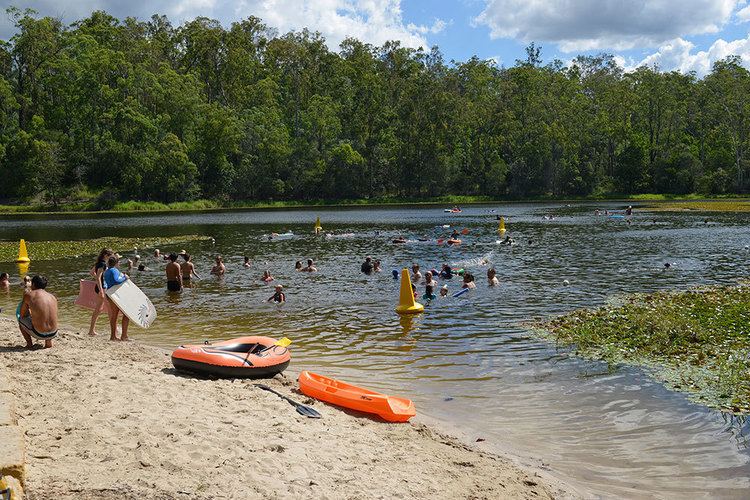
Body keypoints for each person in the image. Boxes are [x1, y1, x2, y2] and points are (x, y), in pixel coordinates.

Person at [18, 275, 58, 349]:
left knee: (21, 319)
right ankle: (48, 343)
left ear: (33, 284)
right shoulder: (52, 296)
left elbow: (22, 314)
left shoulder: (29, 295)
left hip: (39, 334)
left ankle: (29, 344)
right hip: (54, 333)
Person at [87, 247, 113, 337]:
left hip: (99, 287)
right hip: (102, 288)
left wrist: (98, 282)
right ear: (106, 255)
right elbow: (98, 277)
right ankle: (92, 331)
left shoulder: (99, 262)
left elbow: (91, 272)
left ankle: (92, 330)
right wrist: (101, 290)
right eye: (109, 256)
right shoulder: (102, 264)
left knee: (100, 309)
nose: (110, 258)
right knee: (105, 309)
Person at [103, 256, 129, 341]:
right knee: (127, 314)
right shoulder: (114, 270)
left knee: (114, 316)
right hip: (116, 295)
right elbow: (116, 281)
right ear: (116, 263)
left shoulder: (106, 271)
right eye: (119, 262)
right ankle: (123, 336)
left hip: (110, 294)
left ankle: (113, 336)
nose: (120, 263)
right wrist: (125, 277)